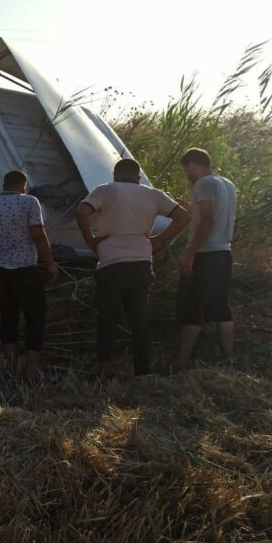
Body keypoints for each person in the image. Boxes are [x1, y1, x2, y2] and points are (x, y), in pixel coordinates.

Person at [76, 158, 190, 378]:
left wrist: (91, 241)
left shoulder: (105, 190)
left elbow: (82, 212)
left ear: (115, 175)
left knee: (108, 317)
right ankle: (142, 371)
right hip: (141, 261)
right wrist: (159, 240)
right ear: (137, 178)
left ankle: (104, 367)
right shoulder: (154, 194)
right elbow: (183, 217)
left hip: (111, 262)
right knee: (139, 320)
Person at [0, 170, 59, 382]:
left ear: (4, 185)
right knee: (35, 316)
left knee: (8, 315)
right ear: (22, 184)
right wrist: (50, 263)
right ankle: (31, 369)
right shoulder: (29, 202)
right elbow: (38, 235)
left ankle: (11, 365)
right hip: (25, 268)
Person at [172, 148, 238, 371]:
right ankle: (228, 359)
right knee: (220, 307)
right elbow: (213, 214)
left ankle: (180, 362)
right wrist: (190, 209)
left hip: (206, 254)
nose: (187, 176)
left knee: (193, 305)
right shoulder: (227, 184)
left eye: (186, 171)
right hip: (223, 253)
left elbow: (207, 221)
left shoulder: (204, 184)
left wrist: (190, 253)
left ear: (193, 165)